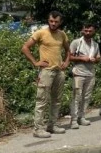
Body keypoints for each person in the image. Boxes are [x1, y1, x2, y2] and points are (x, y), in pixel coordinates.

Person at [21, 11, 70, 139]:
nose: (53, 24)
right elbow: (25, 47)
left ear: (60, 22)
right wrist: (35, 62)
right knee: (42, 100)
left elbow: (68, 49)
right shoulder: (41, 33)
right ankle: (38, 129)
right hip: (46, 71)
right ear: (48, 21)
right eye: (51, 21)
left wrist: (66, 62)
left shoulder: (62, 34)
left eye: (56, 22)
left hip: (59, 71)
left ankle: (52, 125)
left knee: (57, 100)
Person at [68, 23, 101, 129]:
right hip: (78, 73)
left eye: (90, 31)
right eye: (85, 30)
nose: (87, 32)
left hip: (90, 73)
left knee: (86, 97)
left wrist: (94, 59)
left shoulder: (95, 45)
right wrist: (82, 58)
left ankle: (81, 117)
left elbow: (99, 58)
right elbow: (69, 57)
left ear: (94, 31)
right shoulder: (76, 42)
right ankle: (73, 120)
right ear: (82, 30)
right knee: (76, 96)